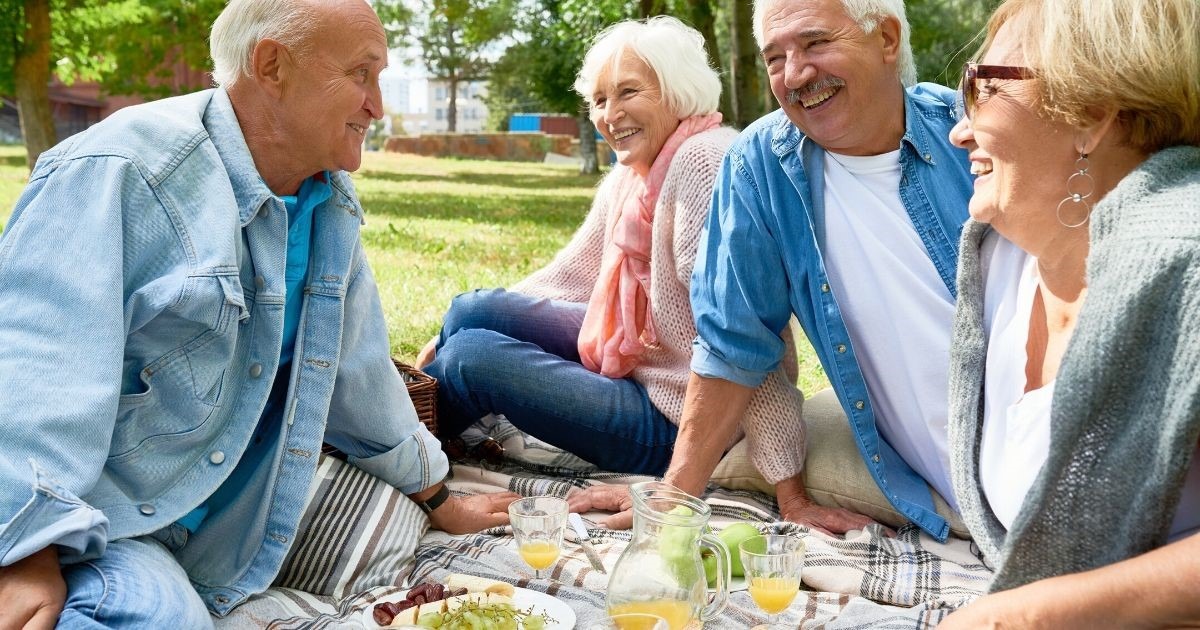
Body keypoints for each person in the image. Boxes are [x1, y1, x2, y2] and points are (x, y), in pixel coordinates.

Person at [0, 1, 516, 627]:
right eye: (361, 74)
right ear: (273, 63)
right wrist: (24, 546)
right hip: (95, 521)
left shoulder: (328, 204)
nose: (376, 106)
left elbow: (358, 374)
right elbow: (34, 362)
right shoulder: (122, 171)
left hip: (219, 537)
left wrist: (436, 494)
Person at [572, 0, 975, 538]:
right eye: (775, 57)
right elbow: (733, 343)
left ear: (886, 39)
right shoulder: (761, 165)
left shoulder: (975, 134)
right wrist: (675, 496)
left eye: (815, 43)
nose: (796, 74)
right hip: (968, 478)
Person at [418, 16, 808, 482]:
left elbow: (741, 335)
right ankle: (420, 417)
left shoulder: (705, 163)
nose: (609, 114)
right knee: (469, 312)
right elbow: (572, 276)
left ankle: (401, 448)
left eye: (628, 93)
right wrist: (451, 328)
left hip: (677, 422)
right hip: (643, 358)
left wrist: (787, 478)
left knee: (470, 359)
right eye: (600, 100)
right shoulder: (636, 172)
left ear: (677, 90)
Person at [937, 0, 1200, 626]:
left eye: (982, 86)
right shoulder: (998, 260)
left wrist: (1030, 615)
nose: (958, 129)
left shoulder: (1185, 262)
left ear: (1091, 115)